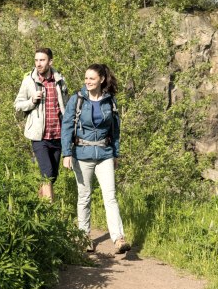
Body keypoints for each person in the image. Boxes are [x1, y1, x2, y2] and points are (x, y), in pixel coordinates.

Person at [61, 63, 131, 254]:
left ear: (101, 79)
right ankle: (84, 238)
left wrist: (115, 153)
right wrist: (66, 153)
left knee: (110, 196)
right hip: (81, 155)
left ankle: (118, 238)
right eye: (86, 78)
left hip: (104, 154)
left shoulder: (110, 101)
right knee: (84, 197)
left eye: (92, 78)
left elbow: (115, 131)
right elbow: (66, 126)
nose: (88, 82)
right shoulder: (77, 100)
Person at [14, 48, 68, 202]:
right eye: (36, 60)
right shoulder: (29, 81)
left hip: (57, 134)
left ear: (50, 61)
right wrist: (31, 101)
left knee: (52, 176)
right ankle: (51, 210)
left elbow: (66, 105)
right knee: (47, 173)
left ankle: (37, 203)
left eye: (42, 60)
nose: (38, 64)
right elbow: (17, 105)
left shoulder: (60, 80)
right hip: (39, 136)